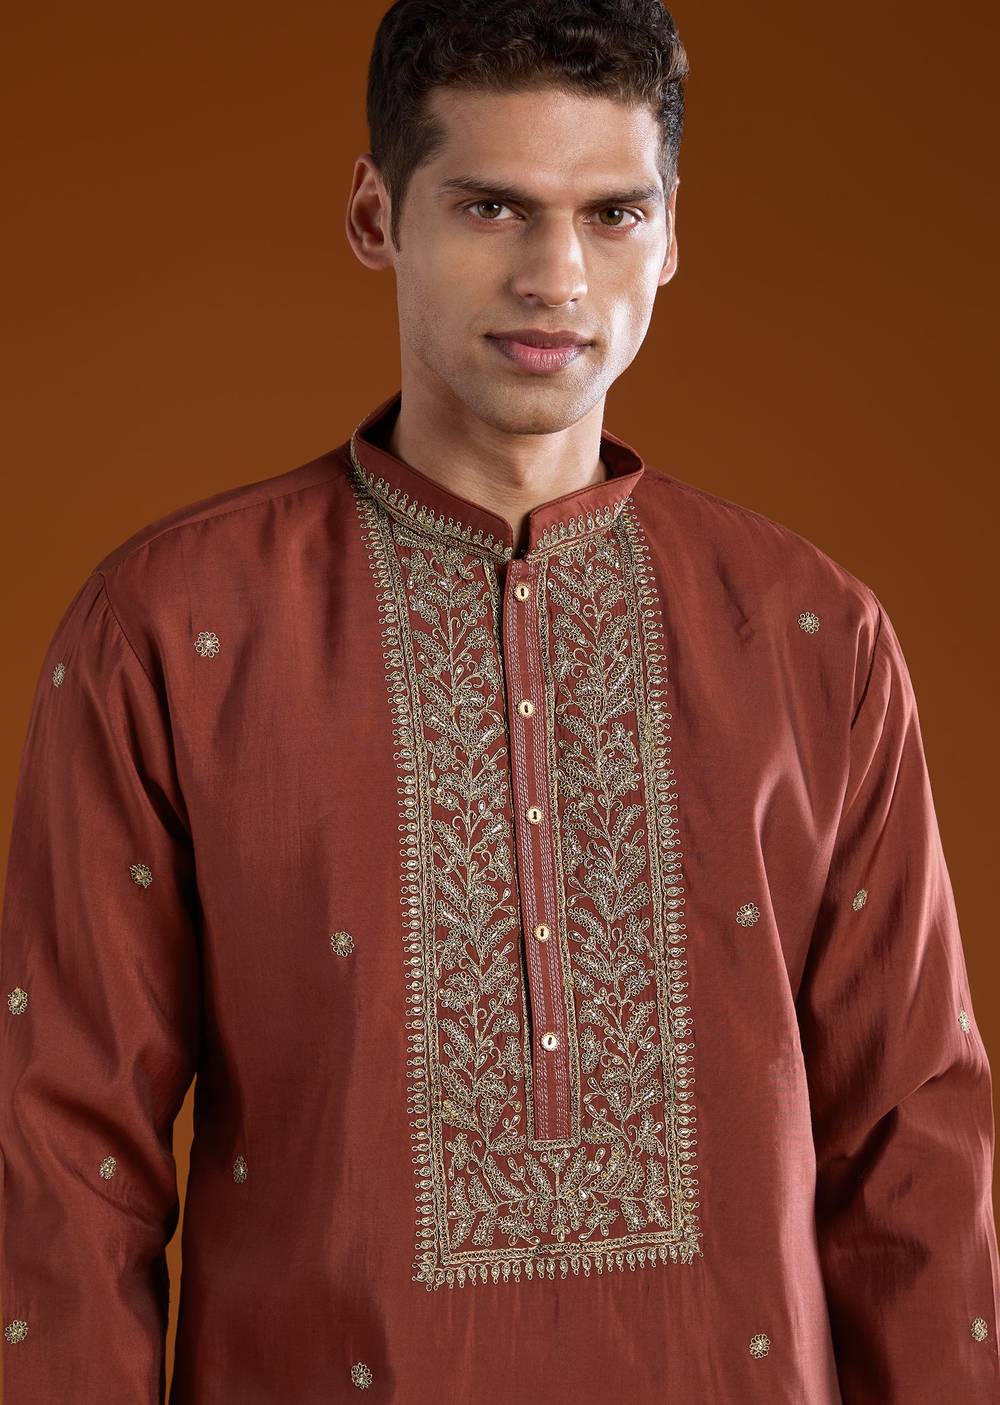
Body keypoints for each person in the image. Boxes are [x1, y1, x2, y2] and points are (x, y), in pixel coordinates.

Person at [2, 1, 998, 1400]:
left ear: (671, 234)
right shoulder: (172, 630)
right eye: (492, 207)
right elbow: (62, 1158)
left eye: (612, 214)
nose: (555, 276)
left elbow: (917, 1154)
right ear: (377, 215)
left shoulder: (812, 635)